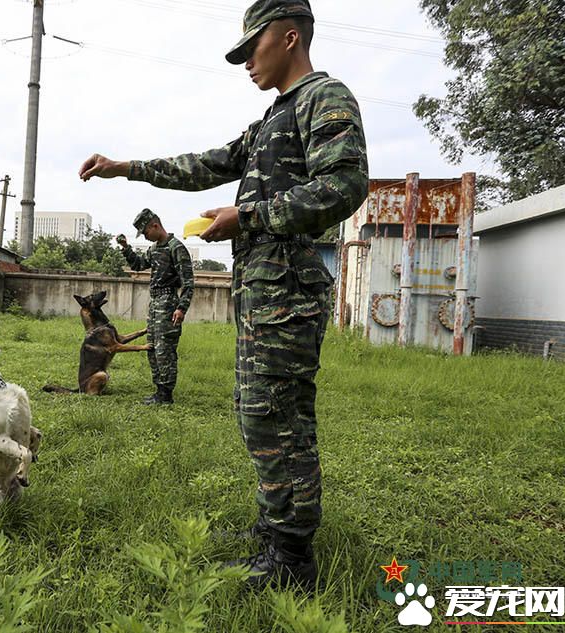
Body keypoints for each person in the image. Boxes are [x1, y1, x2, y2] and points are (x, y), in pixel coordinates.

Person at [78, 0, 368, 592]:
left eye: (250, 48)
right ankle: (274, 527)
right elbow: (207, 163)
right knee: (259, 415)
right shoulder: (269, 121)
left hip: (288, 295)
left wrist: (249, 215)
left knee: (279, 417)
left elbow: (345, 186)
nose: (244, 62)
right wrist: (126, 167)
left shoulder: (324, 99)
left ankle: (293, 558)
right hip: (263, 298)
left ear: (289, 37)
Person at [117, 209, 195, 405]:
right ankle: (159, 391)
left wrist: (181, 308)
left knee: (164, 349)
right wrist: (126, 247)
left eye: (145, 232)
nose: (145, 236)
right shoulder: (153, 249)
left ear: (155, 225)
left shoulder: (176, 247)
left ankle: (166, 394)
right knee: (152, 347)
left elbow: (188, 281)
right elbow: (138, 264)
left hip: (169, 303)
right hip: (155, 304)